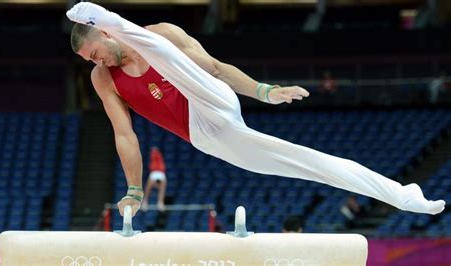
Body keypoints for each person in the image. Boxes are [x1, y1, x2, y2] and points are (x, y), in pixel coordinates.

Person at [65, 2, 445, 218]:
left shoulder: (162, 33)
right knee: (310, 162)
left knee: (162, 53)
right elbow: (123, 133)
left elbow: (213, 68)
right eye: (89, 60)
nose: (95, 62)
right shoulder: (104, 78)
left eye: (95, 52)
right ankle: (402, 195)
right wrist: (134, 188)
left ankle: (114, 18)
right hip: (208, 137)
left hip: (212, 97)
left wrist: (264, 91)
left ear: (105, 34)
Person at [141, 147, 167, 211]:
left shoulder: (156, 157)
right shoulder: (157, 157)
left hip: (157, 172)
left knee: (148, 188)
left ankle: (145, 202)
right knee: (161, 189)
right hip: (159, 172)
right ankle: (160, 202)